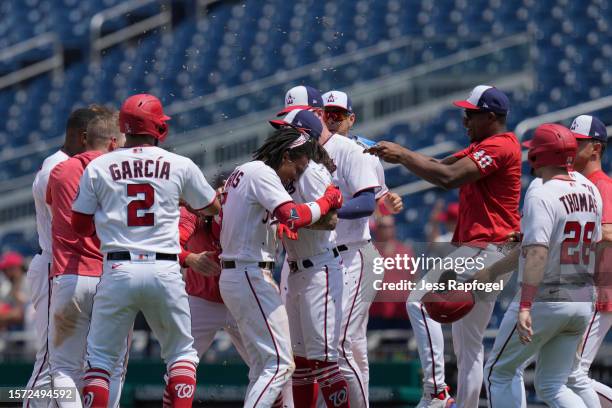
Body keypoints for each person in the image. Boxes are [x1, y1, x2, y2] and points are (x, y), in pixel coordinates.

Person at [367, 85, 521, 408]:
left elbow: (448, 177)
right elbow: (441, 163)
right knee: (470, 348)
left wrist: (403, 155)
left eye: (470, 113)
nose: (464, 120)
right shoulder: (485, 144)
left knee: (418, 300)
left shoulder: (499, 145)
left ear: (491, 117)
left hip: (486, 250)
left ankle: (436, 391)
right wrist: (399, 154)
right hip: (492, 252)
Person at [71, 94, 220, 408]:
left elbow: (80, 226)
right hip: (165, 269)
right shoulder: (179, 164)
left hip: (117, 269)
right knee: (181, 356)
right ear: (158, 127)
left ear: (124, 129)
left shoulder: (99, 165)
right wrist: (175, 199)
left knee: (99, 363)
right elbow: (211, 207)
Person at [218, 127, 343, 407]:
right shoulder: (262, 172)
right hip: (249, 273)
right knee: (280, 365)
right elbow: (293, 215)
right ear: (286, 156)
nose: (296, 176)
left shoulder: (242, 171)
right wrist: (327, 201)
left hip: (237, 272)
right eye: (297, 168)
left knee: (263, 366)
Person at [484, 123, 602, 408]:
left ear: (538, 155)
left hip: (546, 299)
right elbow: (594, 246)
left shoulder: (541, 191)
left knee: (499, 372)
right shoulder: (590, 189)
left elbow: (537, 252)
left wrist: (525, 305)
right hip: (582, 298)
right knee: (552, 384)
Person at [24, 106, 103, 407]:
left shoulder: (72, 166)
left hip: (67, 267)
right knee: (48, 364)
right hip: (52, 265)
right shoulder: (55, 168)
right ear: (82, 136)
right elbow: (75, 226)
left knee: (73, 366)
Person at [46, 111, 126, 407]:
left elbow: (54, 208)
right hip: (111, 276)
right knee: (111, 366)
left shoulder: (60, 171)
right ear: (112, 142)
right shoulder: (120, 171)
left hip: (70, 276)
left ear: (85, 139)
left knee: (64, 368)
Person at [273, 111, 351, 408]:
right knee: (301, 363)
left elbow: (331, 220)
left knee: (325, 360)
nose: (278, 135)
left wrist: (293, 221)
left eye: (286, 130)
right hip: (297, 270)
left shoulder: (313, 171)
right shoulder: (287, 169)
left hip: (320, 268)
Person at [566, 114, 612, 405]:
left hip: (600, 291)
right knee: (567, 377)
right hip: (586, 291)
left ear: (595, 148)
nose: (571, 150)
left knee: (572, 376)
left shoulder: (601, 185)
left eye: (578, 144)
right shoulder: (582, 184)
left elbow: (608, 231)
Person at [0, 251, 28, 331]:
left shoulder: (29, 282)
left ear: (20, 268)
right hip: (14, 330)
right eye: (5, 270)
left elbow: (20, 314)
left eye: (11, 268)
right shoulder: (7, 286)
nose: (7, 273)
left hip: (32, 330)